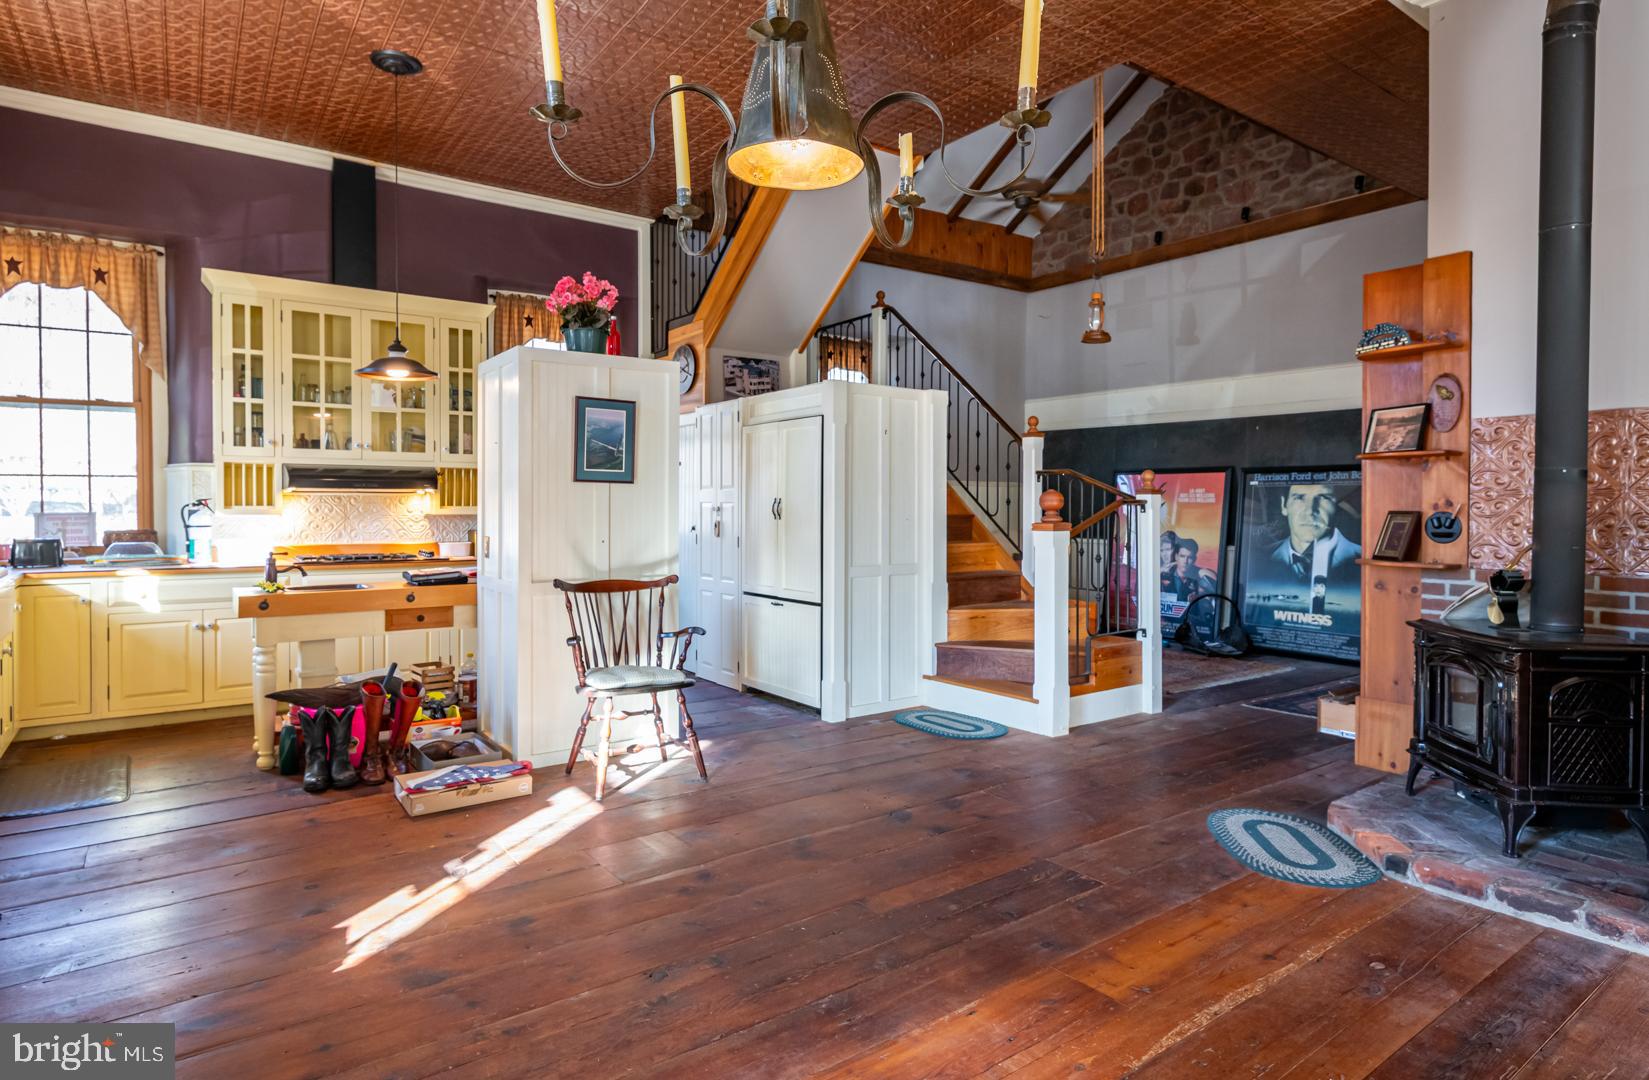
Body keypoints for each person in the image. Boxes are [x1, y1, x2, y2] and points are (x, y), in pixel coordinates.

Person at [1269, 483, 1360, 612]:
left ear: (1337, 506)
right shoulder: (1259, 557)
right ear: (1284, 506)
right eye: (1299, 498)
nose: (1310, 511)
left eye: (1323, 498)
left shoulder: (1361, 560)